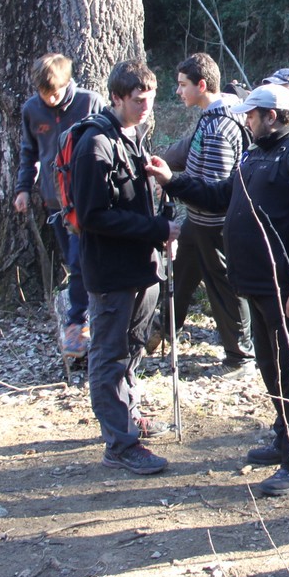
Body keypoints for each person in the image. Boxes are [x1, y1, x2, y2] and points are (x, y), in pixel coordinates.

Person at [148, 84, 289, 497]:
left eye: (251, 115)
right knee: (271, 367)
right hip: (258, 284)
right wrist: (172, 181)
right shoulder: (256, 154)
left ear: (272, 116)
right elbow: (221, 195)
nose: (246, 121)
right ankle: (284, 437)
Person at [70, 60, 180, 476]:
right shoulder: (95, 144)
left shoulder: (132, 135)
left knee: (132, 349)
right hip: (111, 270)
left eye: (150, 98)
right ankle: (119, 444)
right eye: (138, 100)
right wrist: (158, 228)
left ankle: (129, 419)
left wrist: (162, 214)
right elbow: (92, 215)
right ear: (116, 97)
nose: (146, 107)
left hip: (142, 266)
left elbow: (135, 202)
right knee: (108, 356)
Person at [12, 54, 101, 359]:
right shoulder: (31, 110)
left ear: (67, 83)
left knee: (79, 261)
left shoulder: (89, 103)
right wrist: (23, 189)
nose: (50, 99)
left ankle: (77, 323)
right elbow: (29, 153)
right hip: (54, 200)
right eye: (44, 93)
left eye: (55, 93)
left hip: (86, 199)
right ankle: (84, 313)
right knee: (72, 260)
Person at [168, 53, 254, 369]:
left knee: (223, 287)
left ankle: (241, 357)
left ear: (202, 85)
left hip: (214, 222)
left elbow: (215, 193)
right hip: (196, 219)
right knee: (181, 273)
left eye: (183, 85)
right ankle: (163, 329)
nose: (178, 91)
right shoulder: (209, 117)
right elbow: (188, 157)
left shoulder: (219, 127)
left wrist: (171, 183)